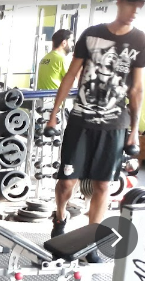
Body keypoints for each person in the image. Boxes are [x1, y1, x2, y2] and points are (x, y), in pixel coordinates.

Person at [46, 0, 145, 263]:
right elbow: (71, 75)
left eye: (140, 8)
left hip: (115, 124)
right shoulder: (91, 34)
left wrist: (134, 131)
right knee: (67, 181)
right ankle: (60, 217)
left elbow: (136, 89)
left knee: (103, 184)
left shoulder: (140, 40)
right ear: (119, 3)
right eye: (131, 5)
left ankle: (91, 240)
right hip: (81, 120)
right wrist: (53, 115)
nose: (135, 12)